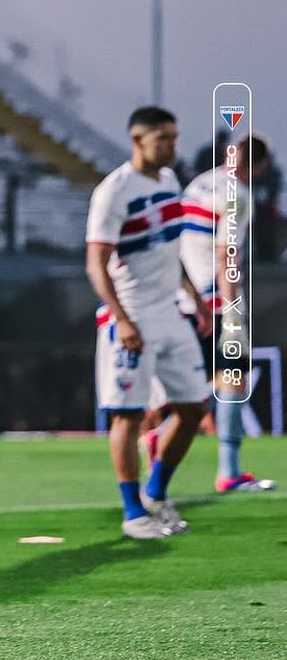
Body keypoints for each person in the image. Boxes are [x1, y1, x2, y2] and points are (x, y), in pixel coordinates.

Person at [84, 107, 211, 539]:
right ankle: (133, 511)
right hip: (131, 315)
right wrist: (122, 319)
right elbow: (96, 264)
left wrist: (195, 298)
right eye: (164, 139)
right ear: (138, 140)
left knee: (194, 407)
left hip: (169, 313)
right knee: (128, 415)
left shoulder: (170, 182)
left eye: (175, 138)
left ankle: (156, 492)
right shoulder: (113, 191)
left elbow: (168, 251)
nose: (173, 147)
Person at [144, 134, 274, 493]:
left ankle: (159, 435)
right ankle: (228, 472)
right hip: (215, 301)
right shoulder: (239, 194)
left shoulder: (199, 183)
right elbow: (225, 255)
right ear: (259, 166)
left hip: (183, 296)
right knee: (233, 378)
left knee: (193, 386)